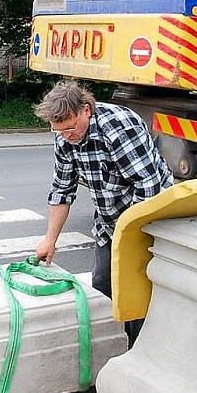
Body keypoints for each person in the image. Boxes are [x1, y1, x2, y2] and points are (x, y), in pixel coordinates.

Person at [33, 80, 172, 343]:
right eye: (58, 130)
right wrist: (50, 239)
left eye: (70, 128)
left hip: (146, 220)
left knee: (136, 291)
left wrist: (130, 239)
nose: (66, 135)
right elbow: (62, 189)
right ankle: (110, 349)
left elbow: (147, 187)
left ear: (86, 110)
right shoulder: (64, 138)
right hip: (109, 222)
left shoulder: (119, 127)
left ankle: (139, 351)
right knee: (104, 285)